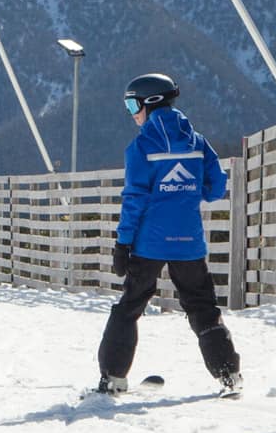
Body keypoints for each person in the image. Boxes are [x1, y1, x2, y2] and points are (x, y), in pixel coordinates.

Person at [96, 72, 242, 394]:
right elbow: (217, 186)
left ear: (150, 102)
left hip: (149, 242)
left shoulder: (141, 147)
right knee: (203, 308)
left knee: (130, 306)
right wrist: (187, 194)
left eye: (132, 103)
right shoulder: (197, 142)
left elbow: (134, 199)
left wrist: (122, 244)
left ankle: (113, 377)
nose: (132, 112)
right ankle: (228, 375)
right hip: (189, 242)